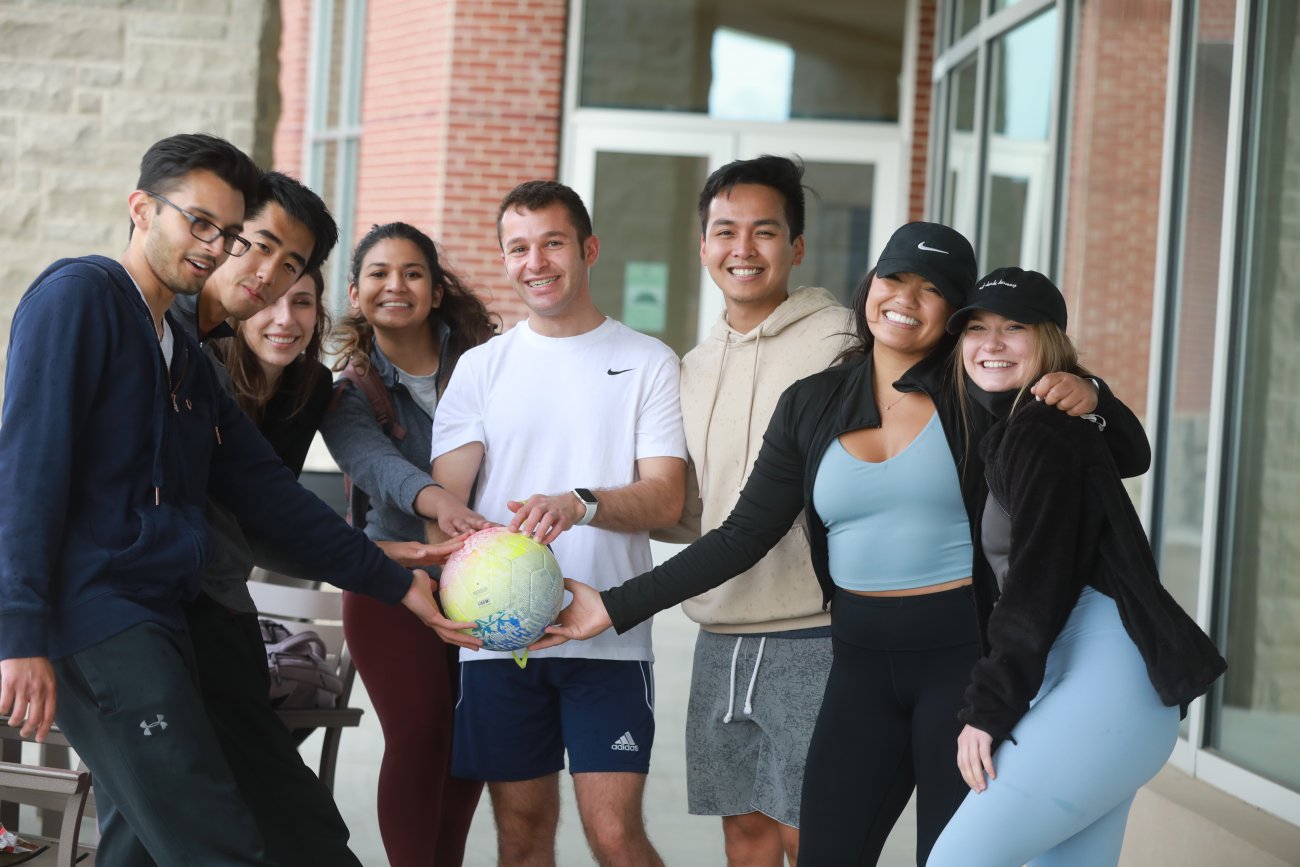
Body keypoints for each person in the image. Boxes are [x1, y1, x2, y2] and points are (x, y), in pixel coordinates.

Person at [535, 221, 1151, 866]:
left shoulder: (981, 393)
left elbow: (1126, 455)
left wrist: (1094, 394)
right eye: (894, 279)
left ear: (956, 312)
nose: (905, 300)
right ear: (870, 286)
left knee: (950, 857)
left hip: (962, 659)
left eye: (932, 289)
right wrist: (613, 605)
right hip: (857, 664)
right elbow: (742, 536)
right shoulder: (811, 402)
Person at [0, 132, 473, 867]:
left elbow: (267, 496)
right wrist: (20, 632)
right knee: (213, 841)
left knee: (197, 833)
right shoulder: (80, 296)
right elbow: (27, 470)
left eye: (225, 233)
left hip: (169, 612)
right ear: (141, 209)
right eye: (201, 224)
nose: (215, 248)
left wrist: (395, 577)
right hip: (97, 616)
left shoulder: (185, 360)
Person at [423, 180, 688, 867]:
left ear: (588, 249)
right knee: (522, 834)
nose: (535, 261)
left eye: (552, 243)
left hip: (607, 633)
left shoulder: (650, 362)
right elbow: (445, 513)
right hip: (500, 641)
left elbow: (665, 499)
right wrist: (472, 568)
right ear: (505, 259)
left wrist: (580, 502)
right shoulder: (480, 369)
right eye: (518, 247)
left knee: (615, 836)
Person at [925, 268, 1225, 867]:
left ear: (1050, 343)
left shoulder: (1041, 429)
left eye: (1015, 328)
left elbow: (1038, 585)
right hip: (1103, 690)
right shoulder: (1024, 425)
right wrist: (1095, 394)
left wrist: (987, 711)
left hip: (1108, 690)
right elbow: (1129, 454)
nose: (992, 343)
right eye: (977, 328)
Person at [659, 155, 849, 866]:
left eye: (764, 232)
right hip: (721, 632)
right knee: (743, 830)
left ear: (795, 248)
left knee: (813, 833)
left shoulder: (843, 343)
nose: (743, 249)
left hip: (817, 631)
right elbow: (691, 507)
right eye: (725, 231)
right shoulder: (691, 366)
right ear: (703, 245)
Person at [319, 222, 496, 867]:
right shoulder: (344, 391)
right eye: (380, 274)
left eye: (413, 273)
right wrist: (441, 502)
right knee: (420, 732)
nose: (397, 286)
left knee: (469, 740)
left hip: (484, 579)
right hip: (391, 581)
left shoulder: (489, 364)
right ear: (356, 291)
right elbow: (377, 468)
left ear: (437, 288)